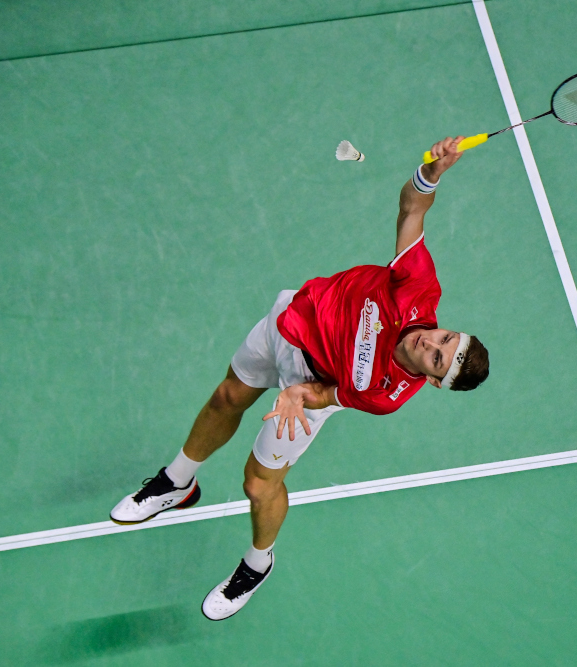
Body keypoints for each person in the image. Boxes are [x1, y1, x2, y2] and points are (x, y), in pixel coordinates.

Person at [109, 136, 490, 621]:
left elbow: (329, 394)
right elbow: (411, 212)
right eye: (445, 337)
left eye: (438, 358)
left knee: (258, 484)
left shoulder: (386, 392)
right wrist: (432, 172)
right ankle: (177, 483)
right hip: (289, 319)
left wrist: (296, 393)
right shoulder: (417, 289)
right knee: (228, 396)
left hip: (308, 385)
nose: (430, 343)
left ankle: (257, 563)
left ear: (434, 381)